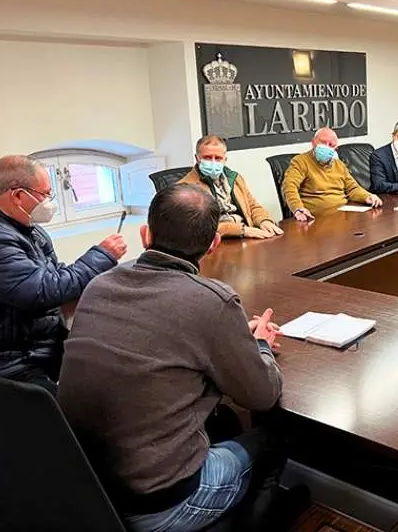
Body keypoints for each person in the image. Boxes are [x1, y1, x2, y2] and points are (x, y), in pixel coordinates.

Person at [58, 184, 305, 532]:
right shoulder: (212, 301)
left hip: (90, 484)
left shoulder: (99, 284)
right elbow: (261, 394)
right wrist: (260, 345)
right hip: (162, 503)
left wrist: (230, 336)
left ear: (145, 234)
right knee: (273, 436)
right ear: (214, 243)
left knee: (223, 424)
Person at [0, 155, 126, 394]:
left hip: (39, 345)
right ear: (18, 196)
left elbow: (52, 273)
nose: (50, 202)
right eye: (45, 194)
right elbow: (41, 289)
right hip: (6, 363)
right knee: (73, 415)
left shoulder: (23, 225)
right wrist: (102, 255)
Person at [179, 134, 284, 238]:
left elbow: (253, 206)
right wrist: (241, 230)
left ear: (225, 159)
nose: (213, 162)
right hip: (217, 242)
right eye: (207, 157)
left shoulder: (235, 178)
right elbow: (197, 227)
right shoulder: (185, 188)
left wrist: (263, 220)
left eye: (218, 158)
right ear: (197, 158)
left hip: (246, 236)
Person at [282, 127, 382, 222]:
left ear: (335, 148)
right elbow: (289, 187)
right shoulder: (300, 161)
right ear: (313, 142)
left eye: (331, 145)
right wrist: (298, 208)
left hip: (342, 215)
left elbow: (352, 188)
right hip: (316, 218)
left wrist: (367, 196)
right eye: (322, 142)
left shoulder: (339, 165)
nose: (326, 147)